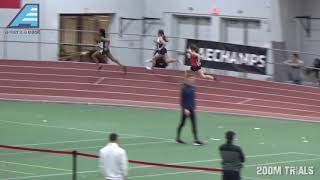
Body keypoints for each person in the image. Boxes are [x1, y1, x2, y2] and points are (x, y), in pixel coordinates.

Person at [176, 72, 204, 146]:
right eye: (191, 79)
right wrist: (185, 109)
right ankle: (178, 138)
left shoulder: (193, 87)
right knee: (182, 124)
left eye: (193, 79)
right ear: (187, 79)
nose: (193, 80)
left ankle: (196, 140)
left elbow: (192, 99)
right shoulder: (184, 88)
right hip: (186, 109)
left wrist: (194, 107)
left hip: (192, 109)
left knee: (194, 124)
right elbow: (182, 100)